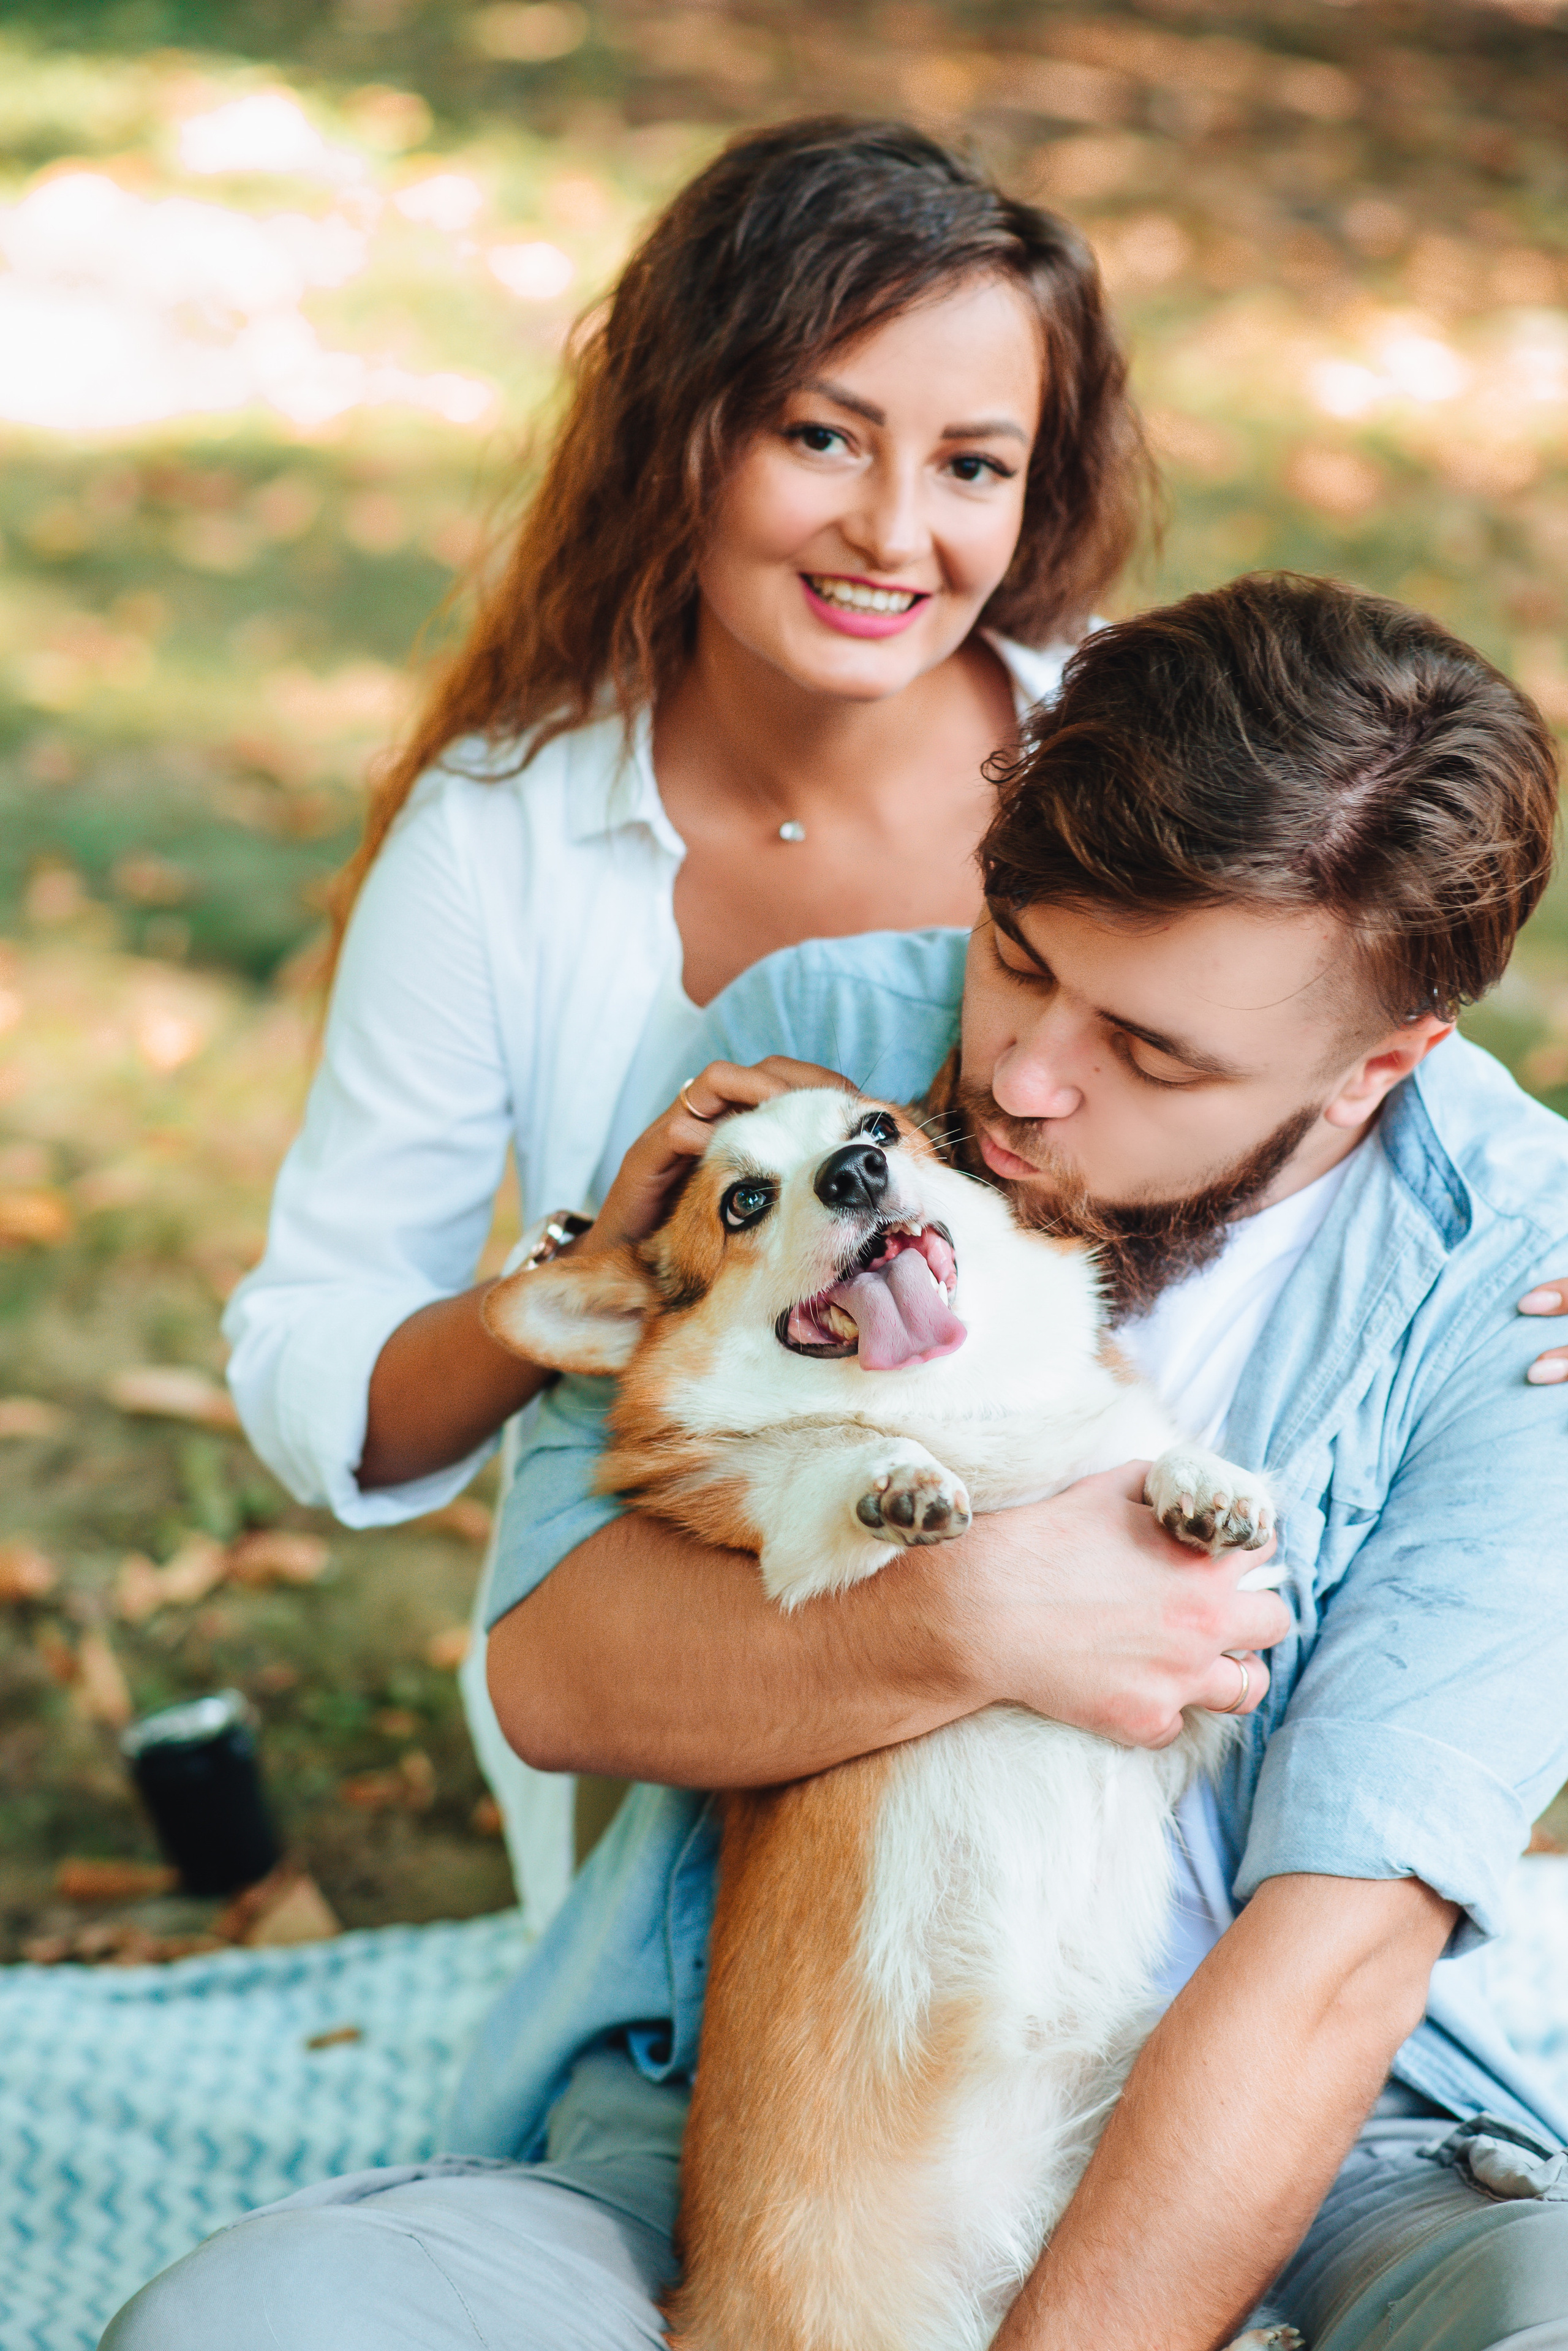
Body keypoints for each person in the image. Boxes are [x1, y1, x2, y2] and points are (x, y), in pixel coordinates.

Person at [109, 573, 1568, 2350]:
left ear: (1380, 1067)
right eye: (1018, 953)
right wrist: (974, 1615)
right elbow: (561, 1671)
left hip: (1315, 2167)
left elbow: (1339, 1955)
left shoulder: (1522, 1279)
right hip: (787, 2137)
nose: (1020, 1082)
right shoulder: (805, 1051)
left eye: (1151, 1052)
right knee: (255, 2327)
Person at [218, 115, 1151, 1915]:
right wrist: (584, 1275)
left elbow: (1352, 1072)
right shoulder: (504, 834)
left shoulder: (1125, 756)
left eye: (973, 463)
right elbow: (318, 1357)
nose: (895, 532)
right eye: (823, 436)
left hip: (1098, 1587)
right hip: (705, 1653)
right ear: (686, 433)